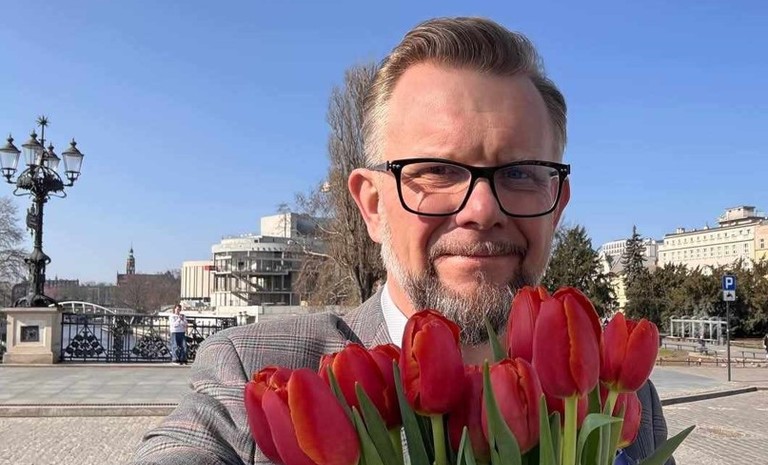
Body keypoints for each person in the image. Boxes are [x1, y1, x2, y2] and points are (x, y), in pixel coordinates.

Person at [133, 17, 673, 465]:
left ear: (557, 206)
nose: (482, 210)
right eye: (437, 170)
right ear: (372, 205)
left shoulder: (616, 390)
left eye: (520, 173)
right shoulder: (257, 375)